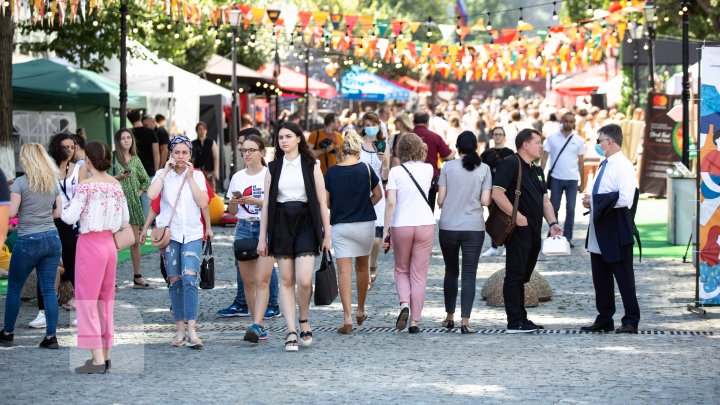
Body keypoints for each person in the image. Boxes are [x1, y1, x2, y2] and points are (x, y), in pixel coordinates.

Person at [257, 122, 331, 351]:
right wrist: (262, 237)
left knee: (305, 279)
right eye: (280, 137)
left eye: (288, 136)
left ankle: (304, 318)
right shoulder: (273, 167)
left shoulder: (312, 164)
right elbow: (267, 204)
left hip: (307, 221)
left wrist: (327, 233)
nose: (284, 141)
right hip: (281, 221)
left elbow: (321, 201)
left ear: (299, 138)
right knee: (287, 279)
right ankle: (290, 331)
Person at [61, 141, 130, 373]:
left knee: (87, 302)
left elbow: (69, 218)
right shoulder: (115, 186)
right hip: (109, 245)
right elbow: (124, 221)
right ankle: (106, 356)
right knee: (105, 302)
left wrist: (62, 204)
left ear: (88, 160)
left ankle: (98, 360)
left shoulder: (86, 186)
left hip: (90, 245)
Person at [492, 128, 562, 333]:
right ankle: (514, 321)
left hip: (534, 230)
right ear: (525, 145)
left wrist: (552, 223)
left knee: (524, 274)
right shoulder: (511, 164)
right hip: (518, 229)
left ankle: (522, 317)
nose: (541, 146)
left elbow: (545, 201)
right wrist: (518, 217)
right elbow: (497, 194)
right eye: (538, 142)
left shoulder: (537, 169)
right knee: (515, 274)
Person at [147, 135, 209, 349]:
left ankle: (192, 329)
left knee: (190, 279)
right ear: (171, 154)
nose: (181, 156)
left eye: (185, 152)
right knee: (175, 281)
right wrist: (164, 171)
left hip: (192, 233)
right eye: (177, 152)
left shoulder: (198, 176)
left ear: (190, 154)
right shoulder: (161, 175)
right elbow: (151, 194)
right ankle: (179, 329)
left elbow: (203, 202)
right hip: (170, 235)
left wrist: (190, 178)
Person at [0, 144, 63, 350]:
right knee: (48, 290)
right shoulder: (52, 182)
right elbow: (58, 212)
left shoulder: (20, 183)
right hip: (52, 238)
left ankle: (8, 333)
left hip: (29, 239)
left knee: (14, 288)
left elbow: (11, 213)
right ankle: (51, 337)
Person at [581, 124, 641, 334]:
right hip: (599, 225)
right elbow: (605, 193)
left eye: (599, 141)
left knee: (624, 276)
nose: (597, 144)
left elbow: (625, 198)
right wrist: (591, 201)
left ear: (610, 141)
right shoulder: (604, 164)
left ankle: (631, 319)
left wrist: (597, 201)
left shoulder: (623, 165)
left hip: (615, 226)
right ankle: (604, 317)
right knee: (601, 276)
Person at [217, 128, 281, 320]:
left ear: (262, 151)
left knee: (263, 279)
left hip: (266, 227)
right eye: (244, 150)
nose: (247, 154)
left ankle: (261, 319)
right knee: (248, 281)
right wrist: (235, 203)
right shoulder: (238, 177)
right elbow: (232, 212)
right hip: (244, 228)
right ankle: (255, 320)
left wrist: (258, 202)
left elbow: (278, 206)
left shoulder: (270, 174)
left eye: (251, 150)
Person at [325, 131, 382, 334]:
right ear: (358, 151)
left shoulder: (331, 173)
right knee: (362, 267)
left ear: (342, 151)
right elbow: (378, 194)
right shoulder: (366, 169)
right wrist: (366, 204)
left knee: (344, 272)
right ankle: (361, 310)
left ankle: (347, 318)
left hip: (341, 225)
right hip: (365, 223)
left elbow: (326, 202)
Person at [437, 131, 492, 334]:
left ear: (457, 147)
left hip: (449, 226)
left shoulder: (447, 167)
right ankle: (465, 321)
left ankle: (449, 317)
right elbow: (486, 201)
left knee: (451, 271)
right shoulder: (484, 169)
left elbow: (441, 200)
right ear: (475, 147)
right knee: (469, 274)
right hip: (474, 226)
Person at [383, 133, 435, 334]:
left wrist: (386, 230)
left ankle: (404, 303)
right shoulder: (428, 169)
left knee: (401, 270)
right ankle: (415, 321)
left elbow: (391, 203)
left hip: (402, 225)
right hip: (425, 223)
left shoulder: (396, 172)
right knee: (419, 274)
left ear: (399, 151)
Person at [42, 133, 87, 326]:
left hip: (71, 222)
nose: (70, 151)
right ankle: (42, 312)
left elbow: (83, 196)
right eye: (65, 147)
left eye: (72, 147)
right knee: (45, 265)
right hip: (51, 220)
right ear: (56, 148)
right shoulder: (47, 170)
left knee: (73, 264)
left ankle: (83, 310)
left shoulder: (79, 169)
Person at [111, 129, 151, 288]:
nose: (126, 141)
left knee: (135, 242)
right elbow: (104, 179)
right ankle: (111, 280)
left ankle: (138, 276)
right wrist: (118, 177)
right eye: (123, 138)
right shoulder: (113, 158)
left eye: (129, 137)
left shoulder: (135, 159)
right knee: (115, 244)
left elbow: (146, 180)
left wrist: (138, 192)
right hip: (116, 205)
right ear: (118, 141)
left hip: (133, 205)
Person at [541, 112, 586, 247]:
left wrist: (583, 182)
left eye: (571, 121)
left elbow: (581, 162)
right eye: (566, 121)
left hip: (572, 178)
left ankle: (568, 237)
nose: (568, 124)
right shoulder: (552, 137)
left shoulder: (578, 139)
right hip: (556, 177)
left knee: (571, 209)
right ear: (562, 121)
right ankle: (553, 234)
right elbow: (544, 156)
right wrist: (539, 176)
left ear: (574, 123)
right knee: (554, 207)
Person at [358, 113, 388, 284]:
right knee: (364, 237)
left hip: (377, 194)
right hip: (361, 194)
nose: (370, 127)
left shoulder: (382, 146)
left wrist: (384, 163)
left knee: (376, 240)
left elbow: (385, 176)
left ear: (378, 125)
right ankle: (364, 272)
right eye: (366, 124)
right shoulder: (359, 144)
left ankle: (373, 264)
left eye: (373, 123)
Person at [481, 127, 515, 257]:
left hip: (506, 190)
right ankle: (494, 246)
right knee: (492, 217)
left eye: (500, 134)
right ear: (492, 136)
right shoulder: (486, 153)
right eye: (495, 134)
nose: (498, 136)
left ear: (504, 136)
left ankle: (508, 245)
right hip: (490, 189)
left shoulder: (510, 153)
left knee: (507, 217)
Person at [412, 111, 455, 210]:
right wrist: (454, 150)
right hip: (430, 179)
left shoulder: (407, 136)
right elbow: (448, 156)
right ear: (427, 122)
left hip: (409, 177)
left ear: (414, 121)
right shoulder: (435, 136)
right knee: (428, 210)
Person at [128, 110, 159, 217]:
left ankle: (135, 227)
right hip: (149, 171)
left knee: (134, 199)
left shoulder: (128, 134)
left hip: (132, 171)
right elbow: (156, 153)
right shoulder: (150, 132)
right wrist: (156, 171)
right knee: (147, 200)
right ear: (140, 117)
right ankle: (145, 227)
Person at [192, 121, 220, 191]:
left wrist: (216, 171)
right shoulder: (193, 143)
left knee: (211, 190)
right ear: (197, 131)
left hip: (209, 171)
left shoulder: (211, 142)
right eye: (199, 129)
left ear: (206, 130)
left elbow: (216, 157)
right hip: (197, 170)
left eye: (203, 129)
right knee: (198, 189)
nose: (202, 131)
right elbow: (192, 159)